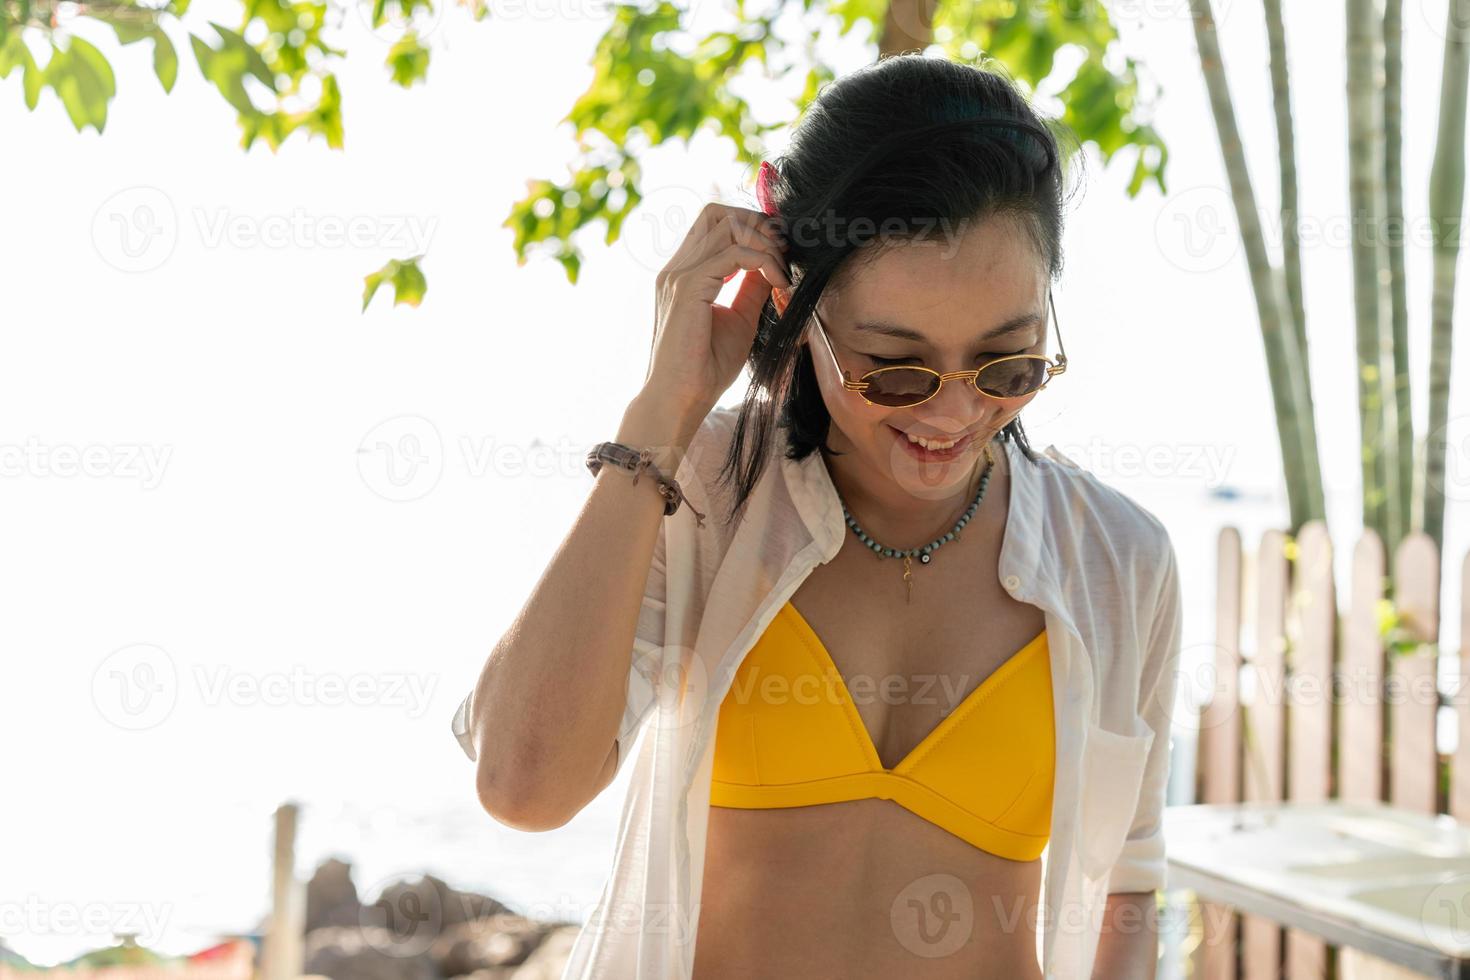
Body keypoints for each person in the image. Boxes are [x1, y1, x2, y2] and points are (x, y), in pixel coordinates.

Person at [453, 52, 1184, 980]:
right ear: (797, 314)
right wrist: (662, 415)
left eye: (1009, 363)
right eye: (896, 366)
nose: (954, 414)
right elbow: (525, 786)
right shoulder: (704, 490)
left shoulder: (1120, 560)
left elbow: (1128, 884)